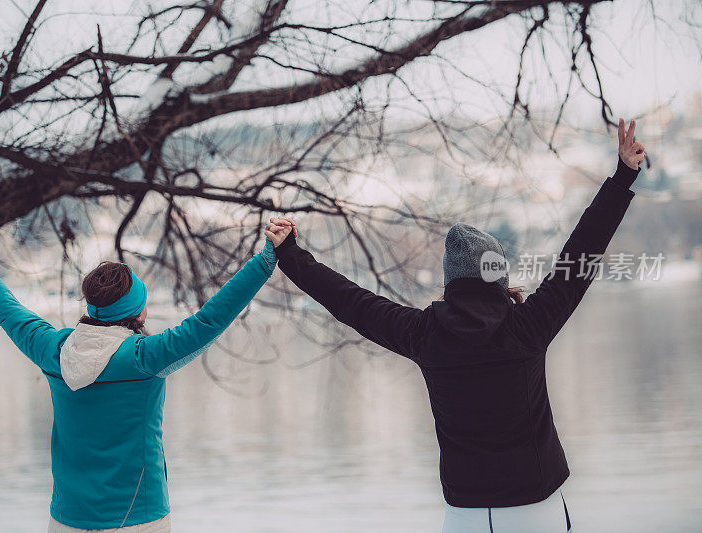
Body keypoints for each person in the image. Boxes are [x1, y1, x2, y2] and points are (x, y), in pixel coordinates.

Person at [267, 118, 646, 533]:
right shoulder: (528, 326)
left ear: (451, 281)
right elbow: (582, 254)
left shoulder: (425, 335)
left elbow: (351, 302)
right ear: (499, 278)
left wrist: (290, 254)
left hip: (465, 516)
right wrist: (623, 175)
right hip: (538, 512)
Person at [0, 209, 293, 532]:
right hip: (138, 520)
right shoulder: (145, 358)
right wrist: (265, 260)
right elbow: (211, 318)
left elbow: (2, 304)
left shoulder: (52, 350)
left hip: (67, 519)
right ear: (138, 312)